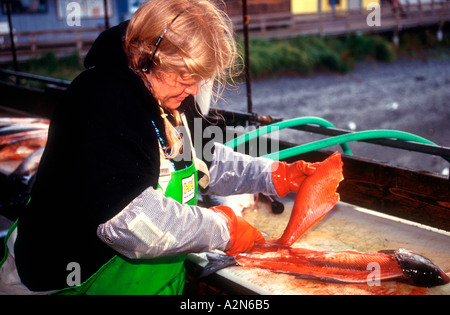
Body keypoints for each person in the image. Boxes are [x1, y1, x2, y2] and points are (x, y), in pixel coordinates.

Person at [1, 0, 317, 295]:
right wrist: (223, 228)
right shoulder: (101, 102)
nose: (193, 88)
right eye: (185, 76)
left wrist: (271, 174)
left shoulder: (167, 96)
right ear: (146, 59)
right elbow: (129, 222)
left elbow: (201, 159)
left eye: (199, 79)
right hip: (68, 281)